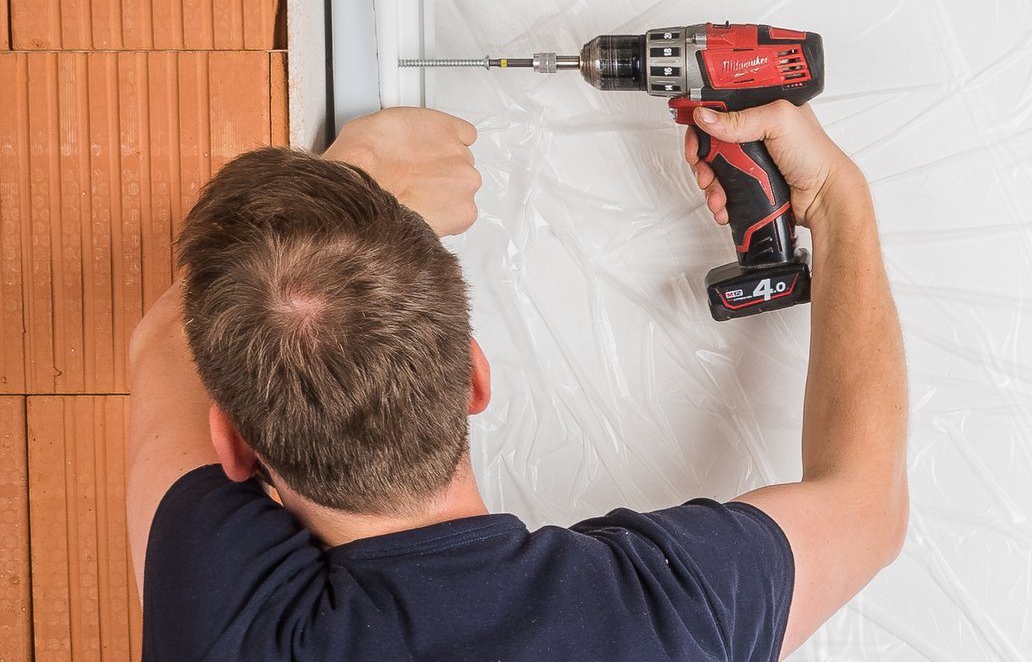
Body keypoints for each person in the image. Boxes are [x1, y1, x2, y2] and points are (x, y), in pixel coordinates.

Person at [126, 102, 908, 661]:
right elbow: (869, 504)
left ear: (232, 445)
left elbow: (166, 343)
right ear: (475, 376)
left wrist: (363, 176)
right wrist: (836, 200)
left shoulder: (228, 626)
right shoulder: (671, 611)